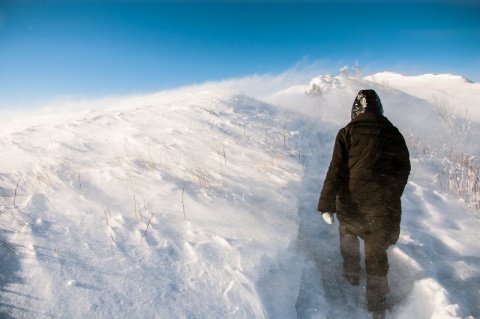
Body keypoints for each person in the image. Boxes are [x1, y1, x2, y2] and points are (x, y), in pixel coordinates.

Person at [317, 89, 410, 318]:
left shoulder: (347, 132)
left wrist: (327, 204)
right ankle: (377, 305)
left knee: (348, 235)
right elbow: (403, 168)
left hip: (351, 201)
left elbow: (336, 169)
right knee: (376, 251)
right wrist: (391, 193)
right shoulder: (394, 133)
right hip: (382, 205)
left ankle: (351, 275)